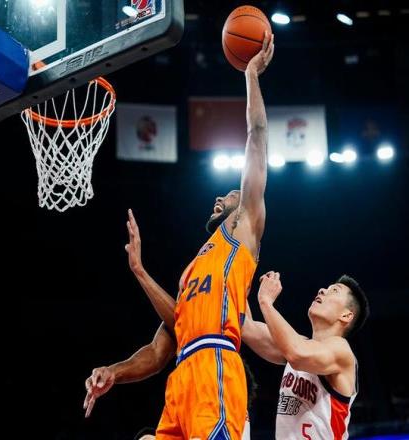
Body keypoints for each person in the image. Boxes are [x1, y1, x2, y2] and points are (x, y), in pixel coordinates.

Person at [84, 32, 274, 439]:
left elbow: (257, 136)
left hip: (214, 365)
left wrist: (251, 76)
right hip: (181, 377)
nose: (221, 196)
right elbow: (158, 350)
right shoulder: (192, 271)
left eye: (232, 194)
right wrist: (115, 371)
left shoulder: (243, 230)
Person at [243, 271, 369, 439]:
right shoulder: (296, 345)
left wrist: (265, 301)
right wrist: (241, 277)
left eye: (334, 290)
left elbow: (296, 353)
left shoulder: (341, 350)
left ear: (346, 315)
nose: (322, 290)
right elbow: (246, 326)